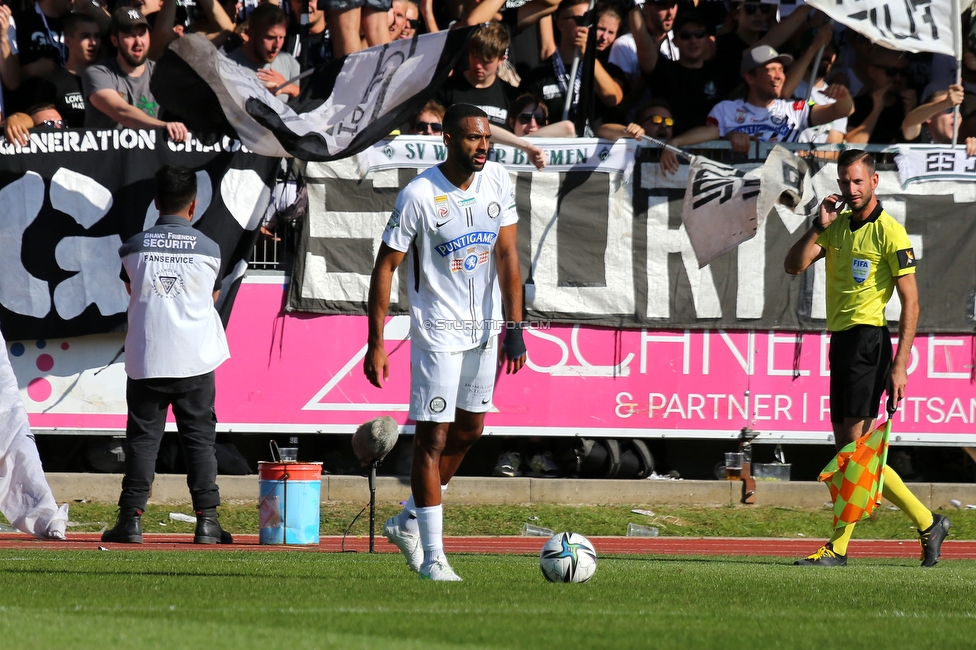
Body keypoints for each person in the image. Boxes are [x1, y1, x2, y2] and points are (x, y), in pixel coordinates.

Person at [364, 104, 527, 580]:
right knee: (431, 439)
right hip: (436, 330)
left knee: (470, 430)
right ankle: (434, 555)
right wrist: (376, 342)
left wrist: (514, 327)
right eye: (473, 138)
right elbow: (385, 267)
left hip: (483, 329)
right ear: (449, 141)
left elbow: (508, 254)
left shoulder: (497, 180)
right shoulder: (419, 194)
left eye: (487, 138)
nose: (483, 147)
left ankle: (408, 519)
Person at [783, 149, 950, 567]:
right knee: (850, 454)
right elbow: (793, 265)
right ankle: (929, 522)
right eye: (845, 182)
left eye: (858, 181)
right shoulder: (836, 226)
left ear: (874, 182)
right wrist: (816, 226)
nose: (851, 189)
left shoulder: (890, 232)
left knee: (853, 454)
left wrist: (901, 364)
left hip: (868, 343)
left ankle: (838, 548)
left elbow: (911, 302)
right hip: (841, 342)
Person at [103, 165, 233, 545]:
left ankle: (130, 521)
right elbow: (212, 298)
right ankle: (207, 523)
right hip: (195, 360)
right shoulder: (210, 250)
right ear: (193, 205)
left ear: (156, 202)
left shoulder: (132, 247)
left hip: (148, 357)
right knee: (199, 442)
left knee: (142, 441)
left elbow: (133, 291)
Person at [660, 45, 853, 175]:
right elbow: (711, 132)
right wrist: (676, 141)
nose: (779, 76)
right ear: (750, 78)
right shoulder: (726, 109)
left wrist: (843, 96)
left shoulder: (796, 108)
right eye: (771, 70)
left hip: (783, 201)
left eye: (781, 70)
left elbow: (841, 111)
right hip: (739, 197)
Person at [82, 7, 188, 142]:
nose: (138, 42)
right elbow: (120, 111)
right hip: (109, 159)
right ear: (115, 41)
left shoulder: (162, 74)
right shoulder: (98, 73)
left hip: (147, 157)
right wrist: (164, 126)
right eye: (130, 35)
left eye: (142, 34)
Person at [518, 0, 622, 128]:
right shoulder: (537, 75)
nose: (587, 26)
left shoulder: (608, 69)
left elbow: (612, 99)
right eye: (581, 20)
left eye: (591, 21)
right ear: (561, 24)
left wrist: (589, 56)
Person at [632, 9, 734, 137]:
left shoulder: (720, 70)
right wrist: (633, 8)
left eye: (699, 34)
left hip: (713, 153)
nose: (693, 40)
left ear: (708, 39)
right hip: (670, 152)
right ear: (674, 41)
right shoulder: (664, 71)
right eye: (686, 35)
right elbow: (642, 44)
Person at [436, 22, 519, 129]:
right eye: (475, 56)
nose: (478, 65)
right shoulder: (446, 90)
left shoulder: (509, 95)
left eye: (486, 61)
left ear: (501, 59)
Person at [35, 13, 100, 128]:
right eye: (85, 36)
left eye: (96, 36)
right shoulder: (52, 84)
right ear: (68, 41)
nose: (93, 42)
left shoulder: (108, 80)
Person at [226, 4, 300, 102]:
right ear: (251, 33)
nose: (277, 45)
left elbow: (308, 102)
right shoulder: (228, 67)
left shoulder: (288, 62)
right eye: (270, 37)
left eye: (282, 37)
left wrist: (289, 87)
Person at [845, 47, 916, 144]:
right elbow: (851, 145)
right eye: (891, 71)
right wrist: (876, 110)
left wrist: (911, 112)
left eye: (903, 72)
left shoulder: (908, 104)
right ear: (872, 72)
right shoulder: (855, 106)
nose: (898, 78)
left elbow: (913, 141)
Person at [901, 84, 976, 153]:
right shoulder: (919, 136)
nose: (956, 115)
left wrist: (971, 147)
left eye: (958, 110)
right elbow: (910, 122)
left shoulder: (961, 142)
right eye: (948, 109)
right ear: (928, 117)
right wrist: (945, 103)